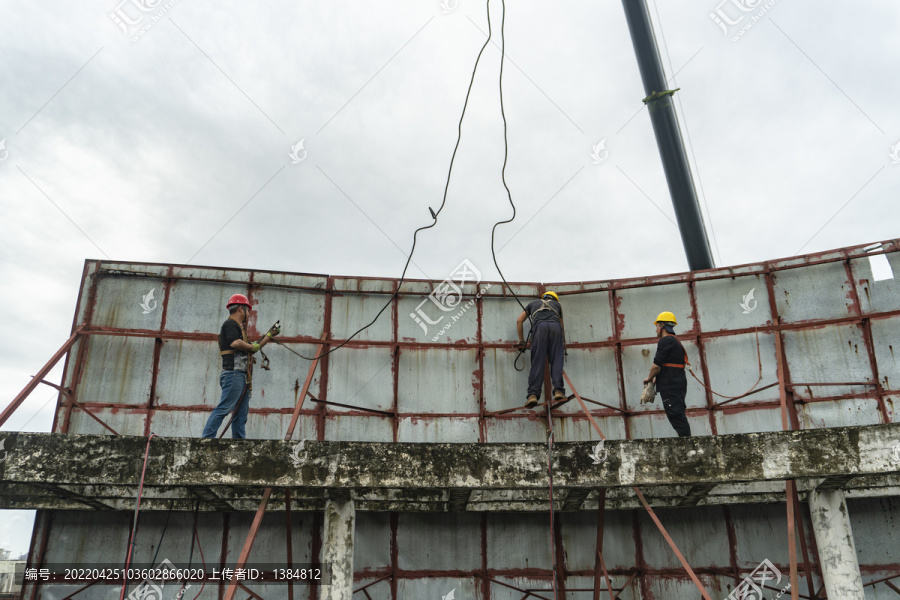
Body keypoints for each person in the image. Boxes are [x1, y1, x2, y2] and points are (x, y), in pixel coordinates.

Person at [201, 294, 279, 439]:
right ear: (241, 309)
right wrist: (252, 346)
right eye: (248, 310)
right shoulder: (230, 324)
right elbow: (235, 343)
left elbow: (252, 347)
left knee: (240, 413)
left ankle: (238, 443)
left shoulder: (238, 328)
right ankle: (206, 440)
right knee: (224, 408)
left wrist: (269, 335)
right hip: (234, 374)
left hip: (242, 376)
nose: (249, 314)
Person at [643, 311, 691, 437]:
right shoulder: (674, 341)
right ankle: (687, 443)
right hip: (676, 384)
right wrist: (655, 380)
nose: (656, 330)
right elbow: (668, 366)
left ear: (662, 325)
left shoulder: (666, 341)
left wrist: (649, 378)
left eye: (657, 326)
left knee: (676, 416)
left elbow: (656, 366)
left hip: (671, 387)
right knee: (677, 415)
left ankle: (688, 445)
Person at [516, 291, 566, 409]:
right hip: (555, 328)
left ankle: (533, 395)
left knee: (538, 362)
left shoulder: (533, 303)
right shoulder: (557, 306)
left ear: (543, 297)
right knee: (557, 361)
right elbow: (561, 325)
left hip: (540, 328)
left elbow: (519, 321)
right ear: (555, 299)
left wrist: (521, 340)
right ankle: (558, 391)